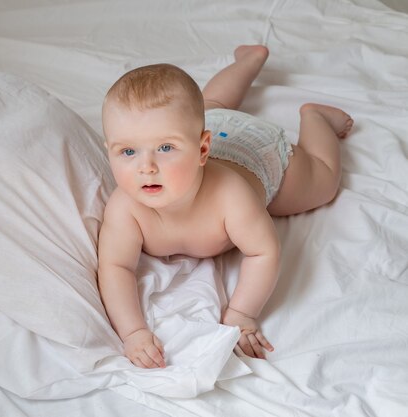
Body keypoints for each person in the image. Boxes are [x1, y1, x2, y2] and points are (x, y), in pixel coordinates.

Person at [97, 44, 353, 369]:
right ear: (109, 151)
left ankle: (314, 116)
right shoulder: (125, 208)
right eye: (128, 152)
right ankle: (250, 60)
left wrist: (242, 314)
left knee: (323, 183)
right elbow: (115, 267)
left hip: (254, 154)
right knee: (210, 106)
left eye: (165, 148)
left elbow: (263, 252)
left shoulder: (231, 196)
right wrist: (133, 331)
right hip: (213, 123)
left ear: (203, 149)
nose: (146, 167)